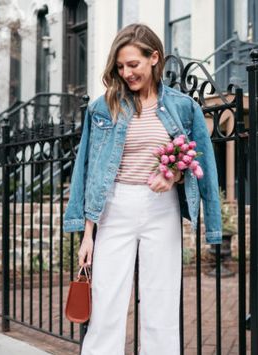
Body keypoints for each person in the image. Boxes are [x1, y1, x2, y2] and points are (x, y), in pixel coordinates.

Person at [63, 23, 221, 355]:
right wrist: (87, 234)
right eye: (120, 67)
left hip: (161, 210)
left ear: (154, 58)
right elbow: (88, 171)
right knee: (106, 300)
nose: (127, 73)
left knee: (161, 300)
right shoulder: (103, 107)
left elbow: (200, 155)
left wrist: (175, 175)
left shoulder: (182, 106)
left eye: (133, 64)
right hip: (114, 206)